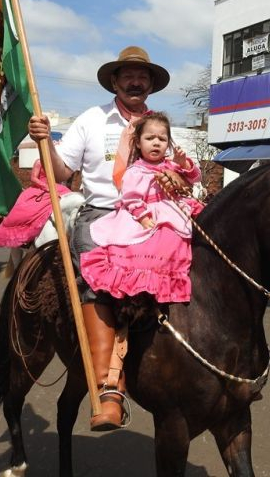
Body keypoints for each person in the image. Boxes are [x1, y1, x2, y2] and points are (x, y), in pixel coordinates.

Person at [28, 45, 187, 431]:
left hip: (152, 215)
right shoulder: (90, 120)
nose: (136, 81)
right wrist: (44, 140)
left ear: (151, 85)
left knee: (193, 263)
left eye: (143, 76)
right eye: (128, 75)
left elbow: (181, 170)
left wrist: (179, 179)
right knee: (95, 279)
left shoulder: (162, 126)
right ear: (114, 82)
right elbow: (62, 172)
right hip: (102, 214)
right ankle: (108, 388)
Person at [80, 112, 201, 307]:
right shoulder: (136, 170)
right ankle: (150, 284)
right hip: (145, 214)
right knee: (160, 239)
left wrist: (183, 163)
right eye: (150, 138)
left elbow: (195, 178)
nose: (156, 143)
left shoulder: (170, 165)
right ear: (138, 143)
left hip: (174, 209)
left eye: (162, 139)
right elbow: (131, 198)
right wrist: (143, 216)